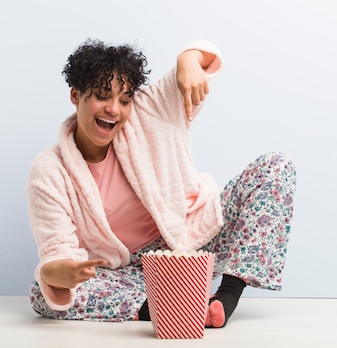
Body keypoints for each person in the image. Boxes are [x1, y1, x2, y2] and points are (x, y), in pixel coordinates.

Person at [26, 38, 296, 327]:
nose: (114, 110)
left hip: (191, 243)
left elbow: (205, 59)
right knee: (42, 294)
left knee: (275, 166)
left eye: (124, 100)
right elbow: (57, 253)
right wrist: (61, 272)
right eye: (102, 96)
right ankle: (169, 308)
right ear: (75, 95)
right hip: (131, 274)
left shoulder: (148, 112)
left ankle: (225, 296)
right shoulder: (49, 170)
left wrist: (188, 58)